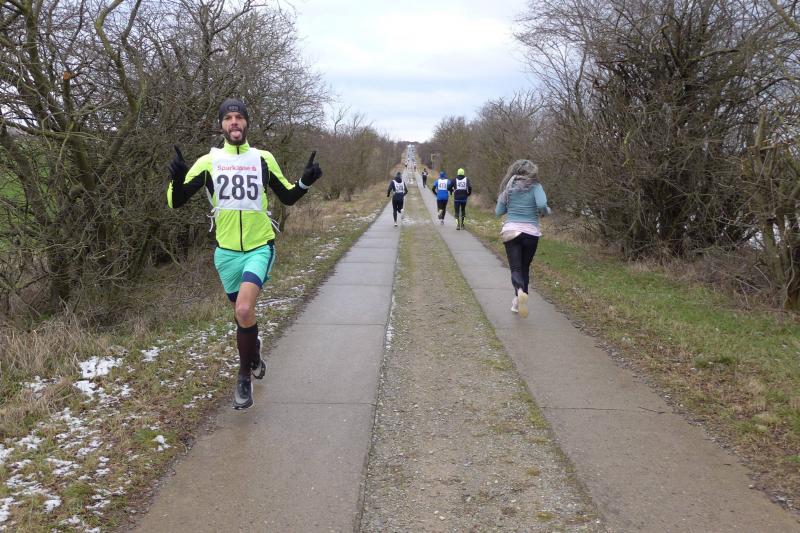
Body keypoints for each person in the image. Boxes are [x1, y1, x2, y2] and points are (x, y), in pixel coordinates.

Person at [167, 98, 322, 409]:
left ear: (247, 123)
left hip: (259, 247)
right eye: (228, 118)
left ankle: (243, 379)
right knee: (242, 315)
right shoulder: (209, 161)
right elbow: (176, 201)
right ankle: (253, 350)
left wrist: (305, 181)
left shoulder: (263, 159)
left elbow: (288, 196)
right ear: (221, 125)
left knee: (243, 309)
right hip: (225, 254)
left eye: (239, 117)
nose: (234, 122)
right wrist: (177, 179)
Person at [495, 159, 550, 318]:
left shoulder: (508, 187)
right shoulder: (536, 186)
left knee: (516, 268)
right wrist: (546, 212)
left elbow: (498, 211)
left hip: (511, 232)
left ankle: (519, 292)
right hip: (531, 233)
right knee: (524, 267)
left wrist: (511, 206)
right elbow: (542, 205)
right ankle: (518, 300)